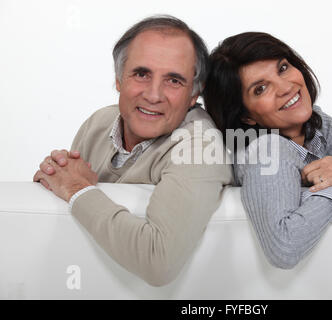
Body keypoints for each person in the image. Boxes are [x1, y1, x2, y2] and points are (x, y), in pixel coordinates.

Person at [33, 15, 233, 286]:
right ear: (119, 79)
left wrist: (77, 189)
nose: (153, 95)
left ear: (194, 94)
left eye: (174, 80)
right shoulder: (98, 123)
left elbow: (158, 262)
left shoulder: (200, 146)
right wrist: (54, 176)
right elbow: (74, 225)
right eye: (141, 74)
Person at [203, 32, 332, 269]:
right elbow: (284, 248)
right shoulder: (266, 151)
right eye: (260, 89)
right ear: (246, 116)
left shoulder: (319, 124)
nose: (286, 87)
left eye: (282, 68)